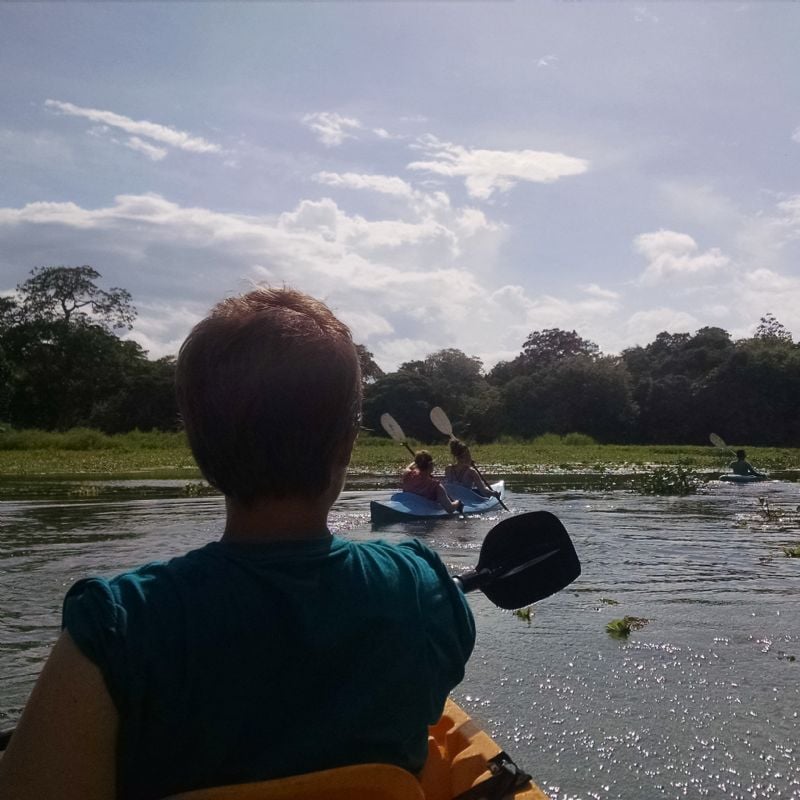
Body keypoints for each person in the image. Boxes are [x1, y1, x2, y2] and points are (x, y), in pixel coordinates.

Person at [0, 287, 475, 800]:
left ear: (200, 448)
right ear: (347, 442)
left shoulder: (112, 626)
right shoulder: (421, 584)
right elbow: (430, 699)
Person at [402, 449, 464, 514]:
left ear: (417, 464)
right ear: (430, 465)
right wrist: (458, 503)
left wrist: (416, 461)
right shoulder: (436, 486)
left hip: (406, 504)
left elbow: (409, 467)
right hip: (423, 513)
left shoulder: (407, 474)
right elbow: (449, 509)